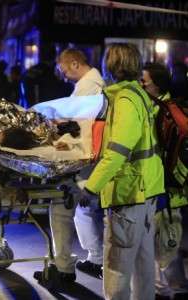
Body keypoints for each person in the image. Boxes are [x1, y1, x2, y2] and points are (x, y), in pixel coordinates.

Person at [82, 43, 165, 300]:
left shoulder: (125, 99)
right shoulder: (137, 94)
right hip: (145, 191)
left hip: (129, 194)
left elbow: (117, 152)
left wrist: (90, 187)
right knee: (143, 265)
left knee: (117, 267)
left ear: (112, 65)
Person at [33, 48, 105, 285]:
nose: (61, 73)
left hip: (82, 159)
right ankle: (91, 258)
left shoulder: (89, 87)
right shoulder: (89, 84)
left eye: (63, 68)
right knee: (82, 212)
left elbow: (78, 125)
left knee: (62, 207)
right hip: (86, 158)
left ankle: (65, 267)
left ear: (75, 64)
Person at [141, 62, 188, 300]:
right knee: (169, 242)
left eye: (145, 81)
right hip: (170, 188)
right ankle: (169, 290)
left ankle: (173, 291)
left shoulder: (162, 110)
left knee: (168, 243)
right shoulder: (169, 107)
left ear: (156, 85)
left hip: (167, 189)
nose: (141, 84)